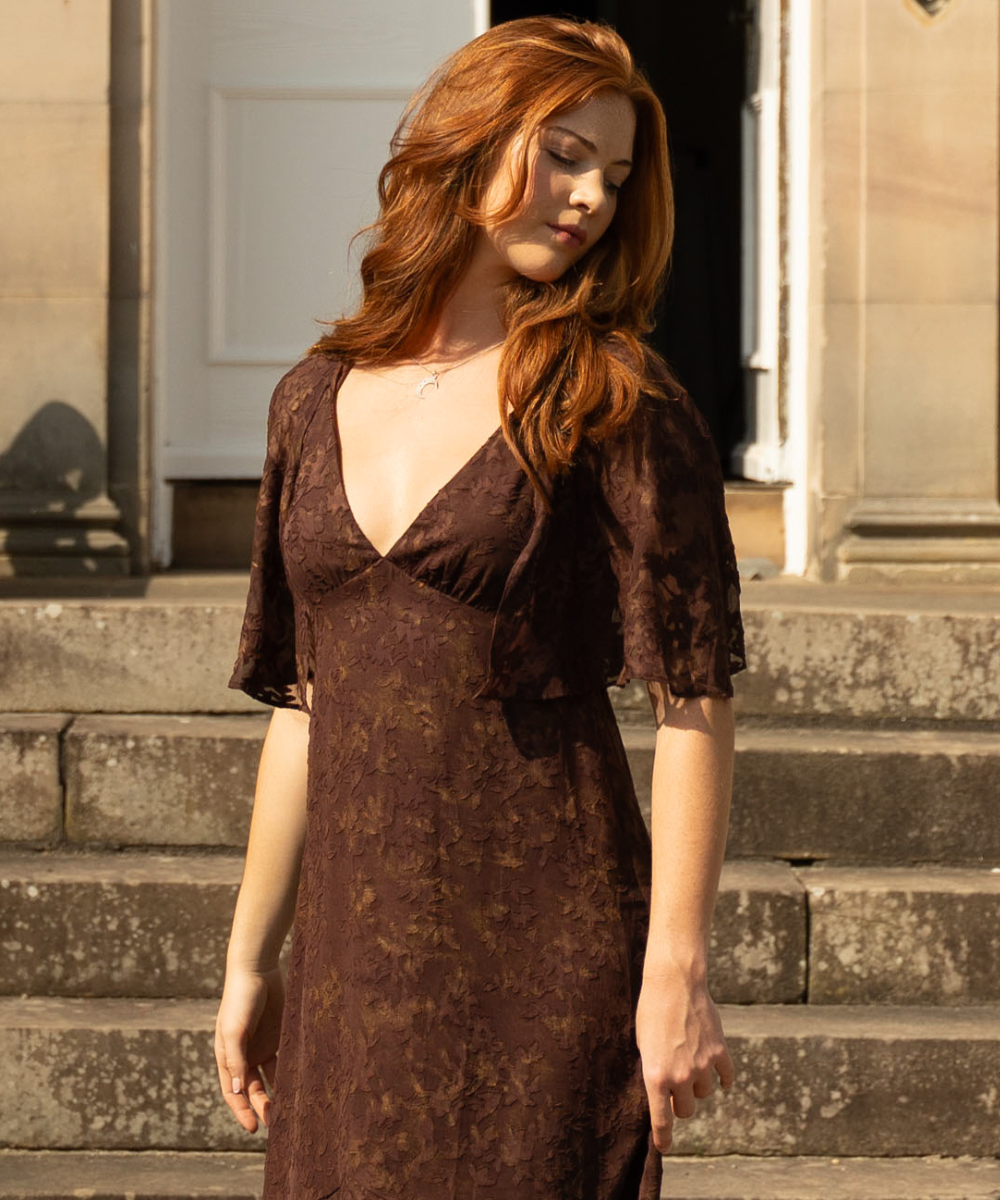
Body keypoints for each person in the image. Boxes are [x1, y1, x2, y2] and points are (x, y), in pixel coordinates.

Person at [209, 17, 747, 1199]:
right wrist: (251, 959)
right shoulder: (310, 398)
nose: (590, 197)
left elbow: (692, 702)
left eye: (613, 175)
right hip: (352, 962)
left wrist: (675, 971)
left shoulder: (612, 397)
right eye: (563, 154)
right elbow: (304, 705)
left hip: (551, 948)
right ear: (466, 141)